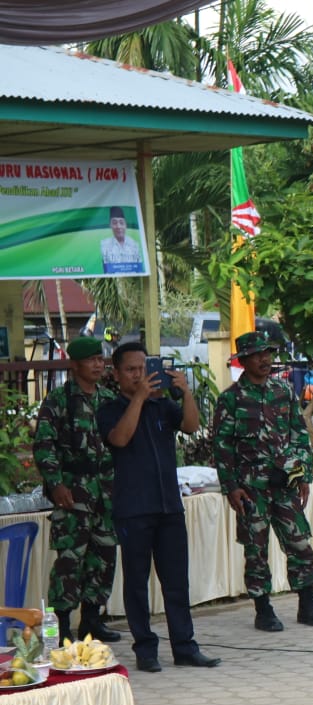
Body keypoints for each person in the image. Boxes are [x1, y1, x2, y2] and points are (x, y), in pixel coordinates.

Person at [96, 342, 220, 672]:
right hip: (133, 508)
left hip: (169, 507)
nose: (139, 375)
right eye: (131, 370)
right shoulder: (110, 408)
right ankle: (146, 650)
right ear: (117, 374)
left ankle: (185, 646)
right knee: (137, 584)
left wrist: (185, 393)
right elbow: (119, 439)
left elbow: (192, 427)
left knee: (177, 581)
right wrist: (138, 399)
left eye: (143, 368)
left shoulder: (163, 406)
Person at [212, 331, 313, 633]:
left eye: (268, 353)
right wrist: (231, 487)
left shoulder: (283, 391)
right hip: (252, 490)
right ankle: (263, 610)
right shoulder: (230, 400)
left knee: (300, 543)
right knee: (256, 551)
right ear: (244, 360)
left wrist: (302, 474)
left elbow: (299, 434)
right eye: (257, 354)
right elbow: (222, 447)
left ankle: (307, 605)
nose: (265, 359)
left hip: (285, 484)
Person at [32, 336, 121, 643]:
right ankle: (61, 626)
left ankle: (92, 620)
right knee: (70, 560)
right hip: (73, 491)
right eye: (91, 359)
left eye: (101, 358)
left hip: (106, 492)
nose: (98, 364)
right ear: (75, 365)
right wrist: (55, 484)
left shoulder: (109, 398)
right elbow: (44, 445)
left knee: (104, 555)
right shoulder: (59, 400)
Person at [99, 206, 144, 274]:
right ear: (110, 225)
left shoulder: (135, 244)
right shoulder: (104, 245)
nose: (118, 226)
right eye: (114, 223)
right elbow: (105, 270)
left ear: (126, 225)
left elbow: (139, 268)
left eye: (121, 223)